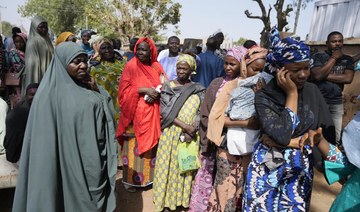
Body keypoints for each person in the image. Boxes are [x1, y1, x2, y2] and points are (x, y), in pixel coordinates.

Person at [12, 42, 117, 211]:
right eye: (76, 62)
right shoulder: (47, 96)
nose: (83, 65)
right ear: (62, 63)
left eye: (84, 60)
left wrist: (96, 89)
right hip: (63, 161)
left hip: (90, 159)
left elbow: (106, 114)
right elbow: (42, 143)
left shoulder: (88, 86)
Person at [242, 27, 336, 211]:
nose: (303, 74)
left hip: (298, 171)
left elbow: (325, 135)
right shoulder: (265, 96)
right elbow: (283, 133)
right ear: (279, 69)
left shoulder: (313, 92)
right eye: (295, 69)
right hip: (266, 171)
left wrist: (293, 143)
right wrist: (291, 93)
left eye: (306, 68)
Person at [189, 47, 243, 212]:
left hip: (231, 142)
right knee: (207, 172)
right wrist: (212, 131)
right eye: (226, 63)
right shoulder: (215, 83)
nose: (228, 67)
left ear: (241, 65)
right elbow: (206, 111)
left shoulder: (242, 86)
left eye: (232, 64)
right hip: (211, 137)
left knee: (224, 180)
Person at [152, 54, 205, 211]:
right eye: (179, 68)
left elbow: (200, 112)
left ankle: (181, 200)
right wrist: (185, 126)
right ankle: (165, 202)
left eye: (184, 68)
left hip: (189, 136)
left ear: (191, 70)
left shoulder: (198, 89)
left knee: (183, 167)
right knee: (167, 167)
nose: (181, 71)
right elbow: (165, 112)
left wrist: (192, 128)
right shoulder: (168, 87)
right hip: (170, 133)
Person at [117, 37, 167, 192]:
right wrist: (144, 90)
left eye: (144, 49)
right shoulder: (130, 66)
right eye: (138, 49)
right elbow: (123, 92)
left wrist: (156, 93)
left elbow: (165, 86)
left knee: (149, 150)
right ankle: (131, 181)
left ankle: (148, 180)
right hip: (133, 116)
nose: (140, 52)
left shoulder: (156, 67)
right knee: (133, 147)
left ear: (151, 51)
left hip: (151, 114)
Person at [310, 31, 354, 144]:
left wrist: (323, 75)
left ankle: (331, 158)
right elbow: (317, 75)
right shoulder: (318, 56)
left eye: (340, 41)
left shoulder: (347, 59)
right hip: (318, 102)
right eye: (334, 41)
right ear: (327, 43)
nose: (337, 44)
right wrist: (333, 58)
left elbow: (348, 78)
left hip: (336, 103)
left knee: (335, 136)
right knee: (315, 131)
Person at [90, 38, 125, 124]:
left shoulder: (124, 64)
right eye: (103, 48)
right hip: (105, 105)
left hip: (123, 103)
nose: (107, 50)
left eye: (109, 48)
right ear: (98, 50)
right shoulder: (94, 69)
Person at [4, 83, 38, 163]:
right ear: (26, 96)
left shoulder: (29, 107)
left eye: (37, 94)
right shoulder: (24, 111)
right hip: (17, 151)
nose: (34, 97)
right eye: (31, 94)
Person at [21, 16, 54, 96]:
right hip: (38, 75)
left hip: (48, 74)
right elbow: (32, 65)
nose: (44, 29)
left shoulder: (47, 40)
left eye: (45, 27)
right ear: (35, 28)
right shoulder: (33, 42)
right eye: (41, 27)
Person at [7, 32, 27, 105]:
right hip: (18, 79)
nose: (19, 44)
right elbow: (18, 67)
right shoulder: (13, 52)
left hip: (25, 78)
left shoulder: (27, 52)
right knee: (19, 97)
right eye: (16, 42)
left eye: (21, 42)